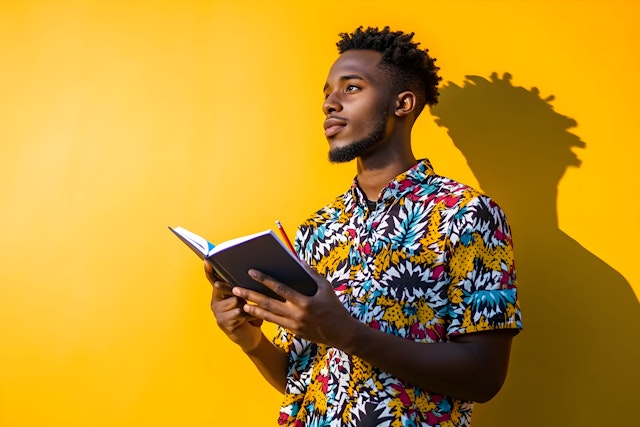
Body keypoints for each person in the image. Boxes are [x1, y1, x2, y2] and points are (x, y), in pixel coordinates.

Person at [206, 26, 522, 427]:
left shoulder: (468, 215)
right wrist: (249, 341)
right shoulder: (317, 229)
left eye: (351, 88)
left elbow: (484, 377)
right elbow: (299, 379)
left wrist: (347, 333)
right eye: (326, 93)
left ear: (402, 103)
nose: (330, 104)